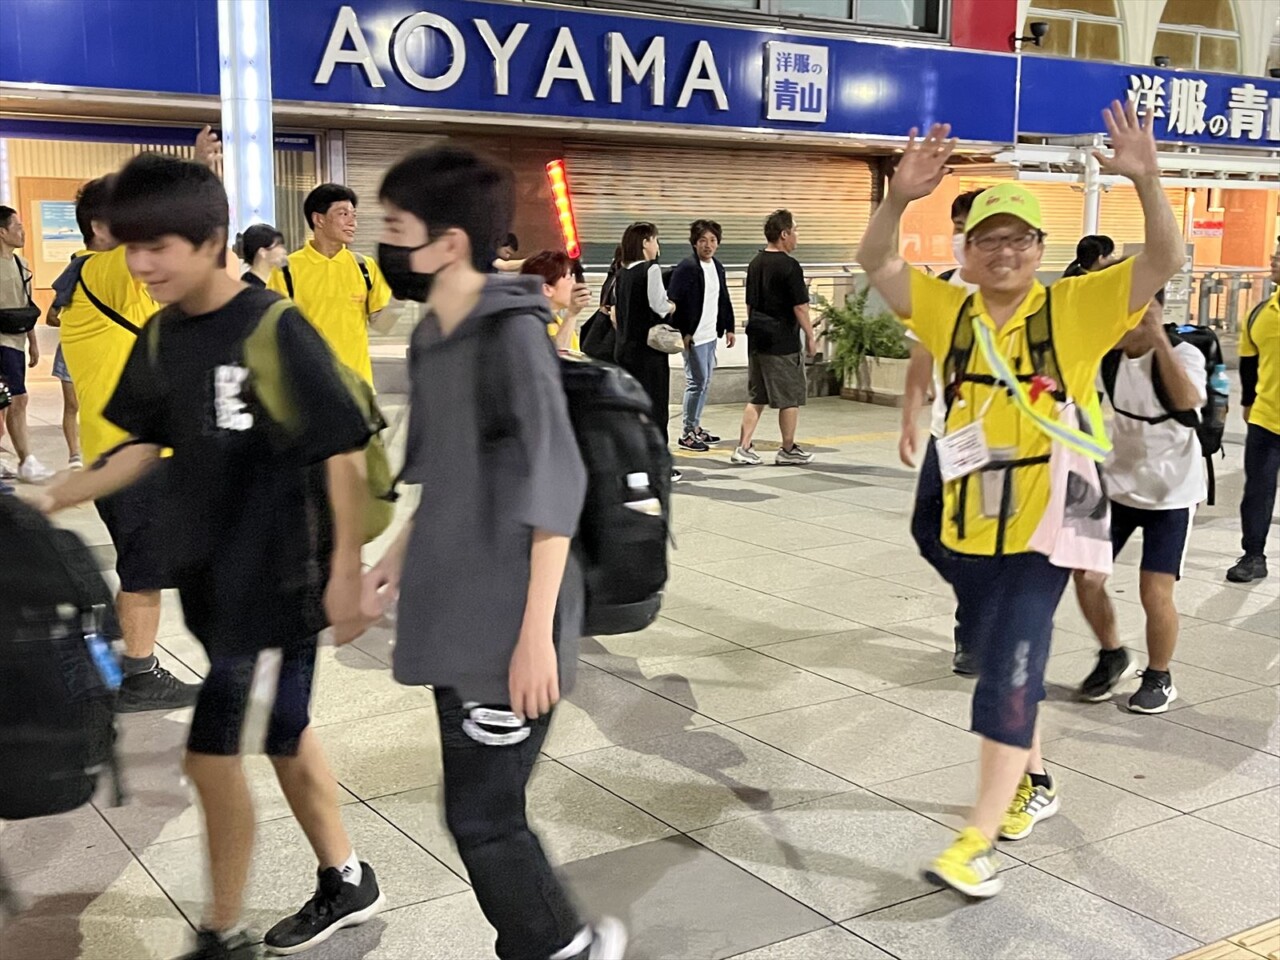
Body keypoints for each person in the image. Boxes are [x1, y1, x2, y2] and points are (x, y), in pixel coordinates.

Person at [41, 153, 385, 960]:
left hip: (280, 580)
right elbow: (141, 442)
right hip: (216, 578)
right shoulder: (166, 332)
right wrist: (52, 495)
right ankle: (347, 877)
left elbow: (342, 448)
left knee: (209, 759)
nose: (140, 265)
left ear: (209, 241)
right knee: (287, 735)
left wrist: (345, 576)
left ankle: (220, 934)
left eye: (157, 247)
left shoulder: (272, 324)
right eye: (131, 247)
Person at [856, 99, 1183, 898]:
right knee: (1000, 656)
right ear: (966, 252)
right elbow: (876, 261)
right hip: (971, 524)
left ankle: (975, 841)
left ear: (1040, 248)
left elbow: (1163, 259)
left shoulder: (1076, 307)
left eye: (1019, 239)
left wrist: (1146, 181)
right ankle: (1034, 780)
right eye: (988, 240)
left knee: (1006, 671)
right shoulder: (948, 307)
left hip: (1046, 528)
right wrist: (897, 198)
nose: (1004, 252)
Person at [362, 144, 626, 960]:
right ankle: (560, 940)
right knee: (479, 812)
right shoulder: (433, 336)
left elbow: (558, 484)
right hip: (456, 604)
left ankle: (561, 945)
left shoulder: (511, 336)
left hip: (508, 616)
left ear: (447, 242)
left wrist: (536, 634)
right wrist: (392, 560)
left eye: (396, 229)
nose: (383, 245)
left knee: (483, 816)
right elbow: (446, 477)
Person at [57, 174, 202, 714]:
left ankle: (123, 654)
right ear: (101, 228)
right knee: (143, 569)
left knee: (147, 561)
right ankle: (139, 676)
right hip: (129, 456)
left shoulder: (96, 278)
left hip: (125, 452)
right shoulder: (101, 271)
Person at [1073, 288, 1205, 713]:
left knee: (1155, 591)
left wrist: (1158, 339)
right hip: (1117, 485)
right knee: (1087, 576)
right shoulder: (1109, 359)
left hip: (1172, 493)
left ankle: (1159, 676)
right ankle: (1113, 653)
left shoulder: (1185, 354)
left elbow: (1188, 400)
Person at [900, 189, 983, 675]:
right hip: (945, 432)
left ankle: (971, 634)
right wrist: (909, 418)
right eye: (956, 228)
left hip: (993, 439)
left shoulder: (1009, 292)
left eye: (970, 228)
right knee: (926, 529)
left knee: (970, 535)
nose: (960, 237)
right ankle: (985, 599)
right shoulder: (944, 288)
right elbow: (921, 357)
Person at [268, 183, 394, 384]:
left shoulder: (365, 266)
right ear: (318, 219)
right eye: (343, 214)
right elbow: (274, 332)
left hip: (357, 387)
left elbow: (383, 325)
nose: (353, 222)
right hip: (308, 387)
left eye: (354, 215)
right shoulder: (287, 270)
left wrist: (401, 295)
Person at [732, 209, 817, 466]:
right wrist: (810, 335)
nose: (797, 236)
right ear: (784, 234)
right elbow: (800, 307)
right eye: (795, 230)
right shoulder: (790, 266)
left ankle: (743, 447)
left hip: (757, 338)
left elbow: (749, 304)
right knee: (789, 398)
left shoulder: (755, 263)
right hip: (782, 341)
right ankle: (788, 449)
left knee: (757, 396)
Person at [1229, 236, 1280, 583]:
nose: (1273, 260)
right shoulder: (1260, 313)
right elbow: (1249, 362)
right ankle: (1253, 555)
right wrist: (1248, 402)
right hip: (1265, 419)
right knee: (1257, 492)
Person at [613, 221, 680, 480]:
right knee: (656, 409)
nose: (657, 246)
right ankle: (659, 465)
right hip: (648, 352)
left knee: (634, 409)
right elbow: (659, 306)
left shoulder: (622, 272)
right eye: (655, 240)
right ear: (645, 242)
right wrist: (672, 306)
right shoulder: (650, 269)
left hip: (625, 350)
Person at [669, 219, 735, 452]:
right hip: (694, 336)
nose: (708, 245)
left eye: (713, 240)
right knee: (696, 382)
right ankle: (687, 433)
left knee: (704, 382)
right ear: (694, 243)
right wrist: (683, 333)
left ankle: (695, 427)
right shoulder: (687, 268)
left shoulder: (717, 266)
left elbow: (723, 297)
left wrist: (729, 327)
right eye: (703, 240)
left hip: (710, 334)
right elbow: (674, 302)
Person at [0, 207, 53, 483]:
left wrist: (33, 343)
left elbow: (26, 307)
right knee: (17, 398)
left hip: (16, 341)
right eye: (17, 226)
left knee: (9, 401)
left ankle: (21, 460)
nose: (23, 232)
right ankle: (26, 460)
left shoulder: (22, 265)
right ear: (2, 232)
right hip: (2, 343)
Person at [46, 254, 88, 470]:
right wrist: (73, 324)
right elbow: (50, 317)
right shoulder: (66, 289)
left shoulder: (105, 287)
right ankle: (74, 453)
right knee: (72, 404)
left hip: (97, 350)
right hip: (71, 349)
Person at [520, 250, 592, 351]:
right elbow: (552, 358)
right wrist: (571, 314)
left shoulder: (559, 322)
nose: (574, 283)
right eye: (569, 278)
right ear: (547, 289)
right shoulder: (527, 327)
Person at [233, 223, 287, 288]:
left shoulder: (274, 282)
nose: (283, 251)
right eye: (278, 246)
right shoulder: (250, 289)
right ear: (262, 252)